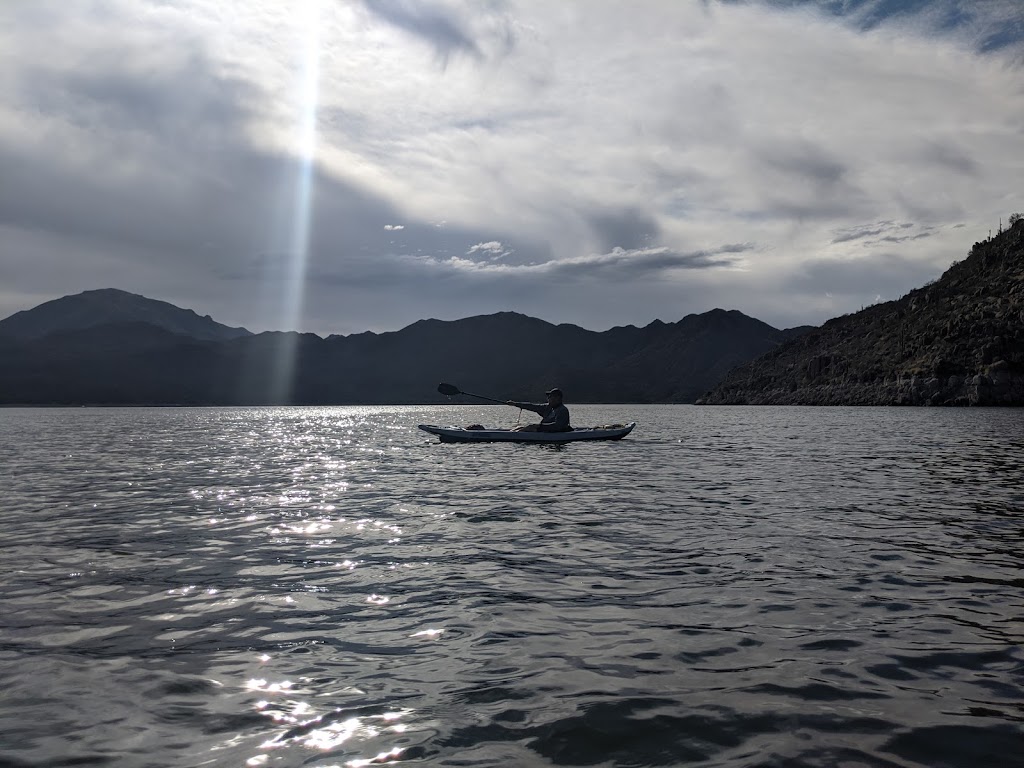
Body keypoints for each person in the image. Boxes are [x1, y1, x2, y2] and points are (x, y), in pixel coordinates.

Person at [507, 388, 572, 432]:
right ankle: (512, 432)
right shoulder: (547, 407)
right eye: (548, 397)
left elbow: (558, 426)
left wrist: (539, 427)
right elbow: (531, 406)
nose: (548, 399)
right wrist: (515, 404)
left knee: (530, 427)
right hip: (544, 430)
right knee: (520, 427)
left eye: (550, 397)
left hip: (555, 433)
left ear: (557, 398)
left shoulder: (563, 410)